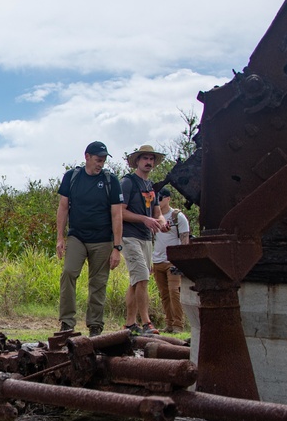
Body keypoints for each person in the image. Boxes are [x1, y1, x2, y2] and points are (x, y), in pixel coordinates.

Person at [56, 141, 124, 337]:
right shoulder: (72, 177)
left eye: (103, 160)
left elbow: (117, 215)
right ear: (87, 157)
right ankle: (67, 323)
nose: (100, 164)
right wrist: (60, 237)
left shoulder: (111, 180)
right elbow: (62, 207)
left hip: (103, 239)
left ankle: (95, 325)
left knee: (98, 282)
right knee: (68, 272)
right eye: (97, 160)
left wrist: (117, 247)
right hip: (77, 235)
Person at [121, 145, 168, 334]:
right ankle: (147, 323)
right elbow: (120, 212)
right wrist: (144, 219)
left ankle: (130, 323)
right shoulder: (128, 182)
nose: (149, 162)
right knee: (143, 277)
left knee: (136, 281)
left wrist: (162, 223)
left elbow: (158, 213)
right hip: (130, 236)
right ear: (137, 161)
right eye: (145, 158)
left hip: (147, 238)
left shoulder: (150, 186)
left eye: (151, 159)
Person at [152, 188, 190, 333]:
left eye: (160, 198)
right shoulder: (154, 217)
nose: (158, 201)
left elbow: (185, 239)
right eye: (156, 198)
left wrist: (183, 262)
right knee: (164, 294)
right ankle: (169, 323)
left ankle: (178, 325)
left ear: (168, 198)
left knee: (174, 292)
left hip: (172, 262)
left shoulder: (177, 217)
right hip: (157, 260)